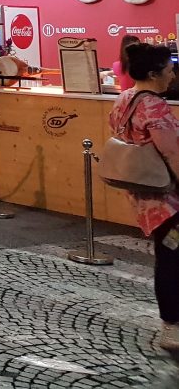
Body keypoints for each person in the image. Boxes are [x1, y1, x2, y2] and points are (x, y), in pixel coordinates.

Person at [108, 42, 179, 351]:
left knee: (169, 257)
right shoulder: (154, 105)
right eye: (168, 69)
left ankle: (172, 325)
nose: (173, 74)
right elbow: (173, 153)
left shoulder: (124, 99)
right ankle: (172, 327)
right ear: (153, 73)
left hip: (143, 194)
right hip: (168, 197)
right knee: (172, 259)